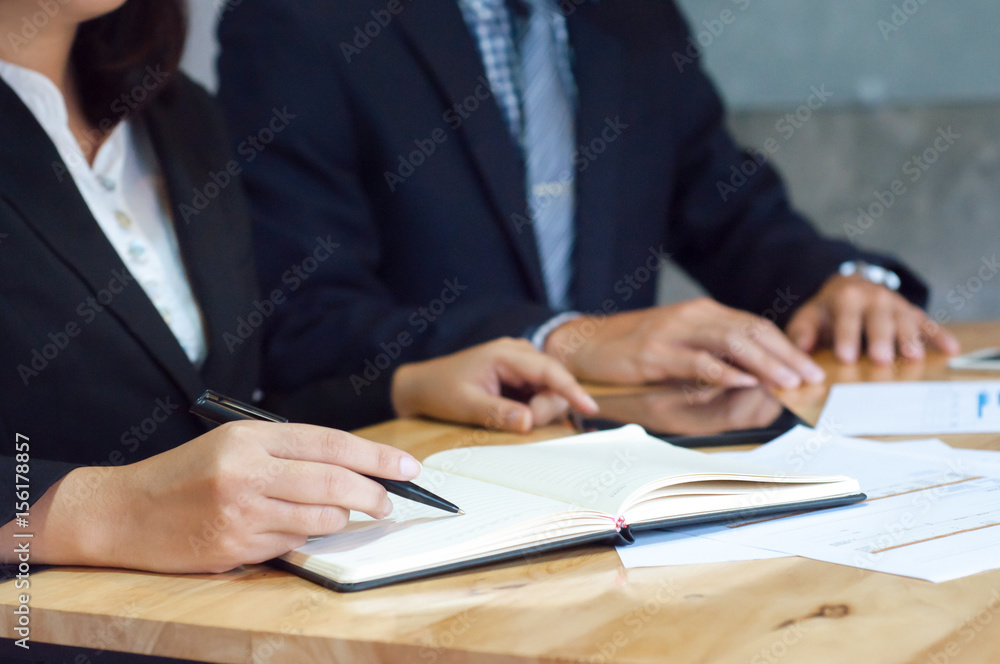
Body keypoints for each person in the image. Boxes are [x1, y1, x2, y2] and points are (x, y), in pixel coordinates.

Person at [0, 0, 596, 574]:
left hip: (214, 607)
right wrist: (115, 511)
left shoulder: (180, 115)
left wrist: (402, 390)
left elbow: (201, 416)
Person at [216, 0, 960, 424]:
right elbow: (305, 319)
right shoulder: (297, 23)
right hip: (422, 479)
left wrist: (839, 282)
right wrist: (562, 338)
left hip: (626, 475)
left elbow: (728, 210)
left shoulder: (635, 20)